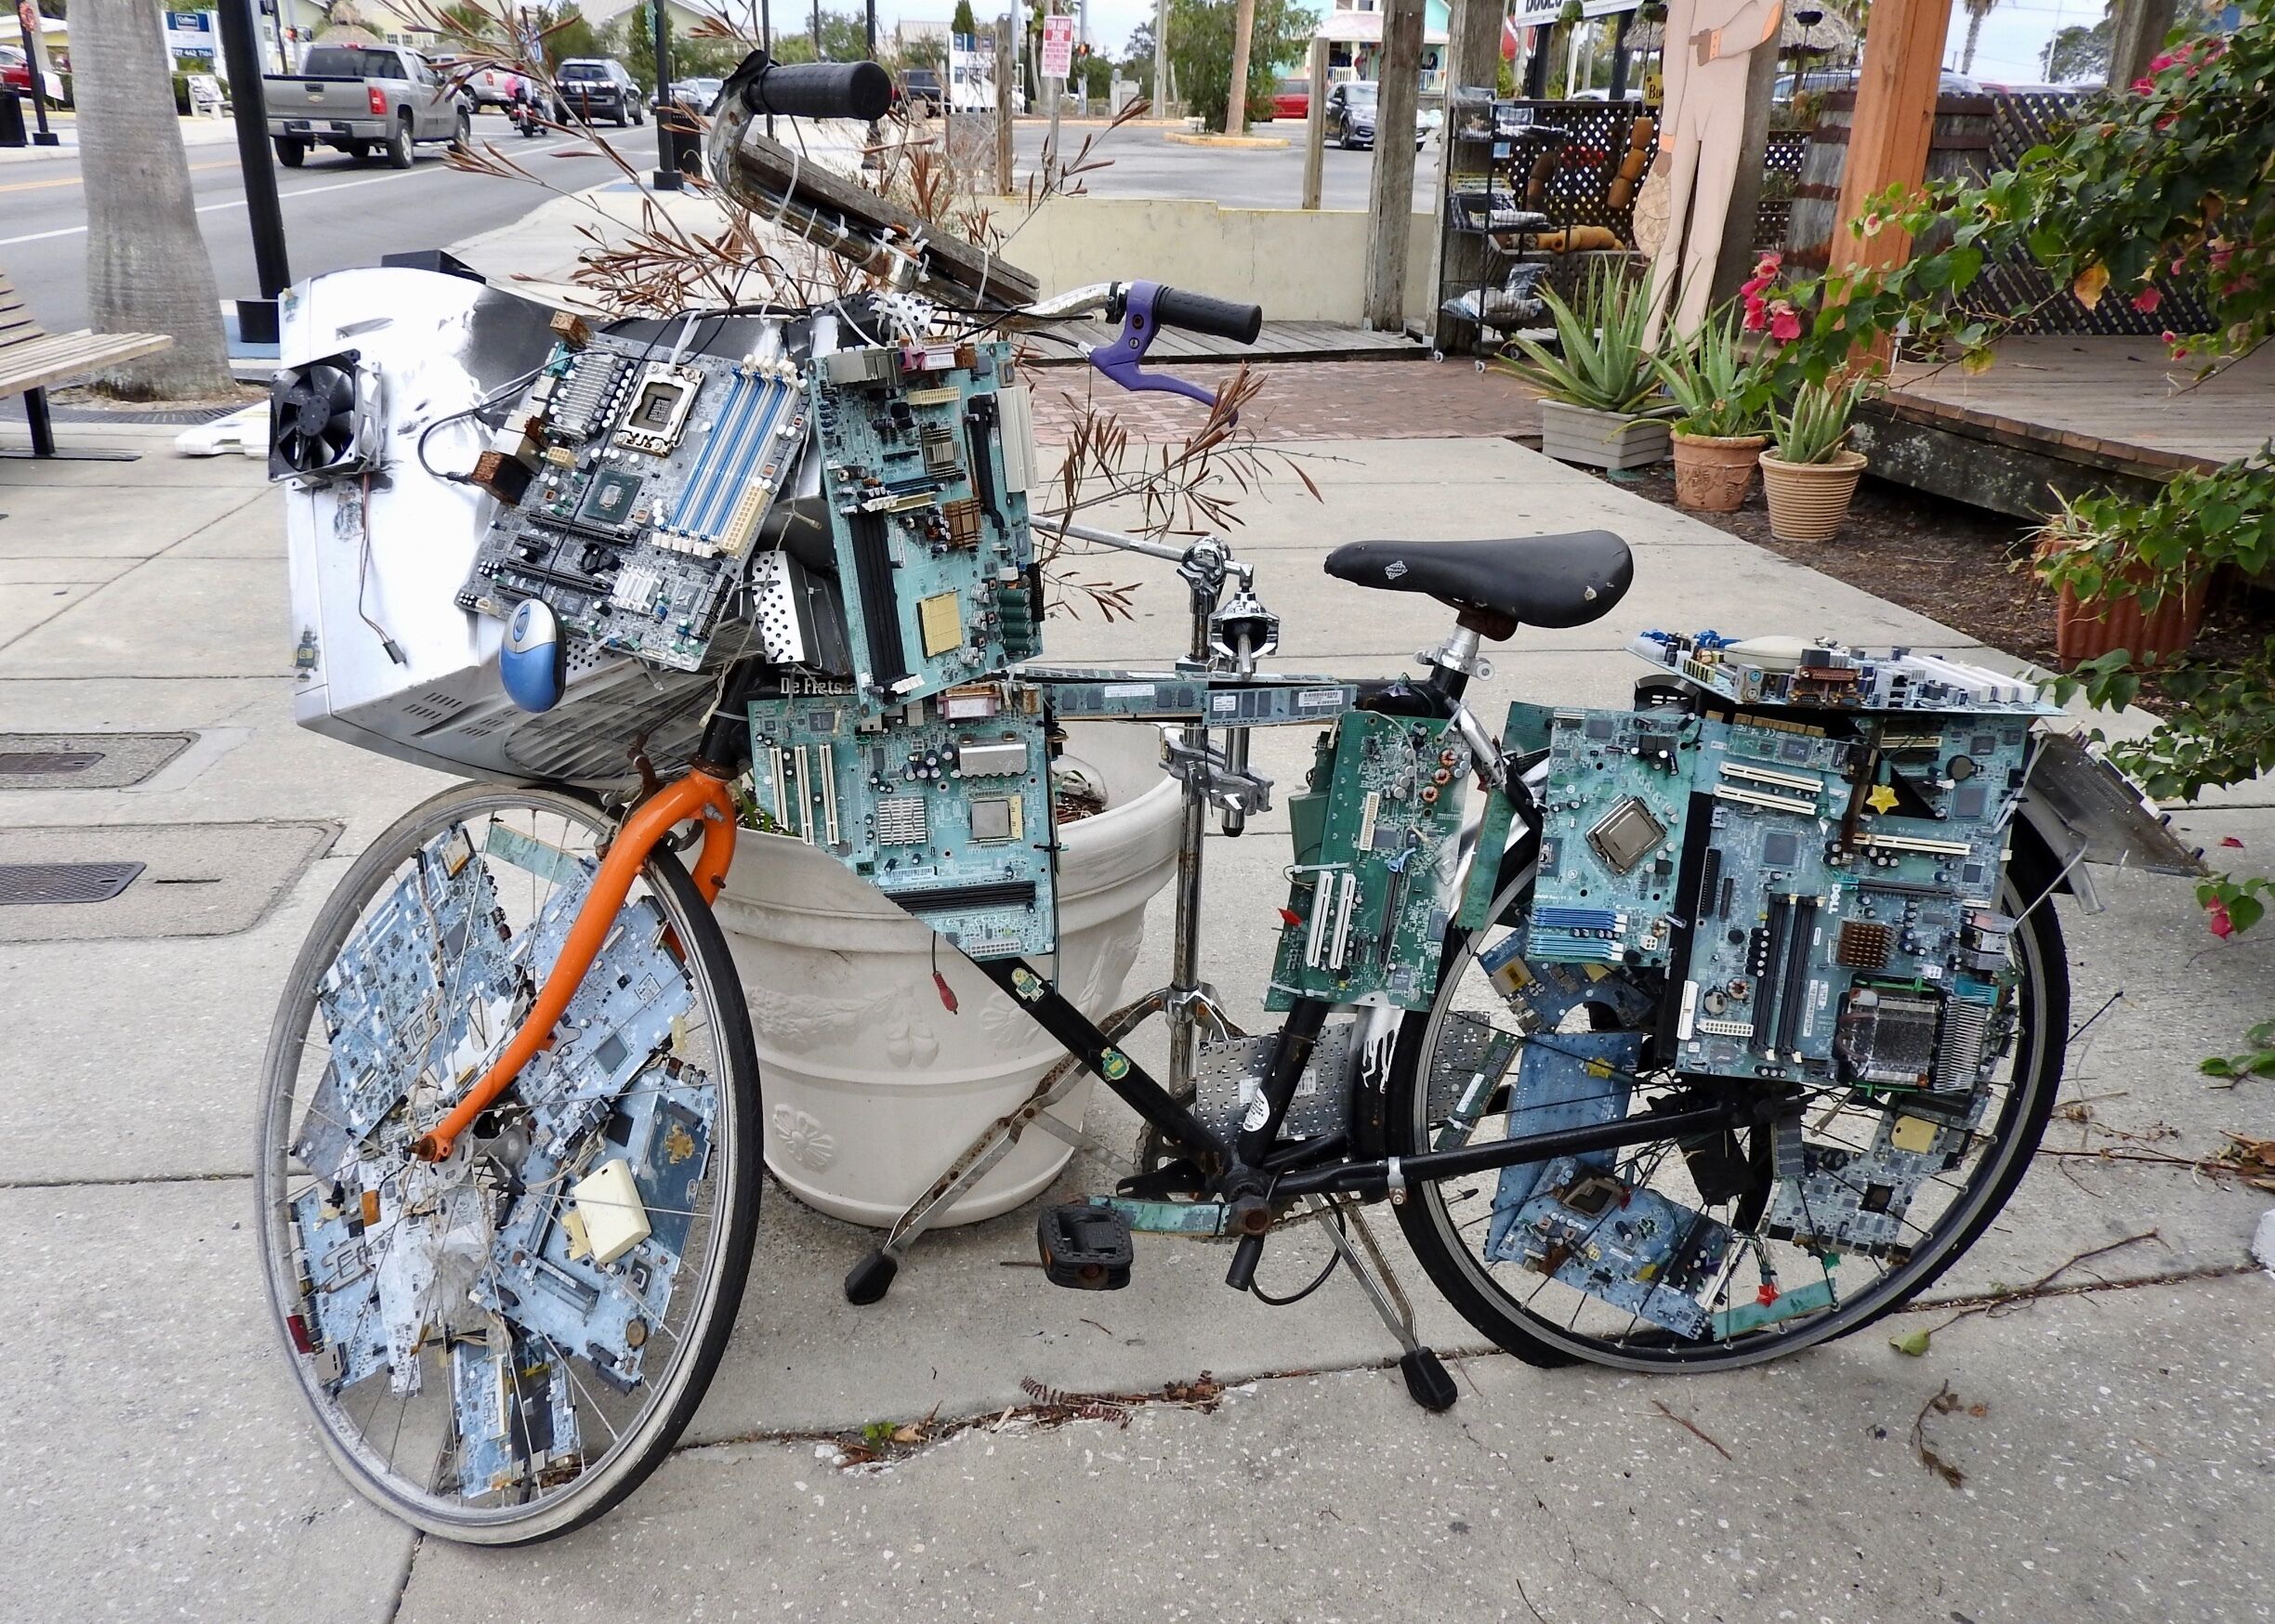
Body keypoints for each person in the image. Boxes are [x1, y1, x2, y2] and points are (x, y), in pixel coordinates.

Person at [1640, 0, 1785, 344]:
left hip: (1726, 107)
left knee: (1707, 241)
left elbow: (1765, 17)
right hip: (1686, 103)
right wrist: (1668, 137)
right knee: (1665, 235)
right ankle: (1642, 344)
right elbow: (1675, 47)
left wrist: (1720, 41)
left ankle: (1684, 346)